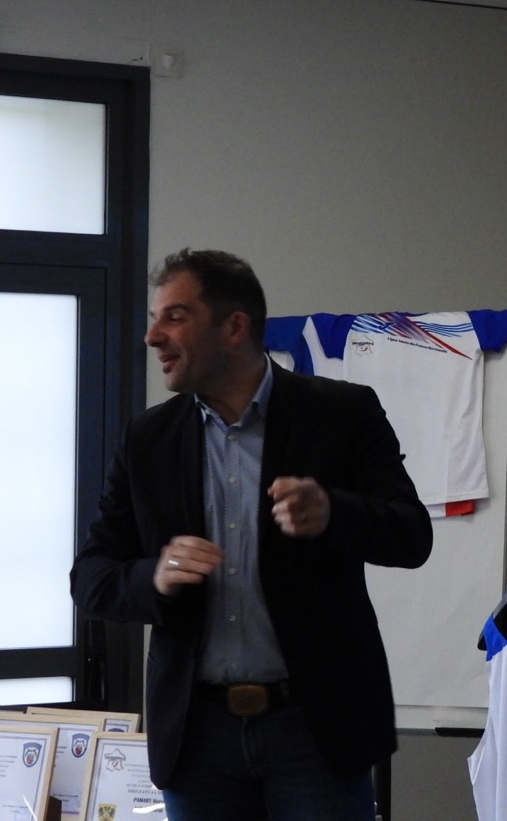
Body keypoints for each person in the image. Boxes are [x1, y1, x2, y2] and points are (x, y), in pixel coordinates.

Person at [71, 249, 433, 821]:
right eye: (155, 319)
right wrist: (154, 575)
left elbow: (413, 537)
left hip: (315, 731)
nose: (152, 337)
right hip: (197, 739)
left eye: (174, 317)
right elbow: (90, 577)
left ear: (234, 327)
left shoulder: (342, 413)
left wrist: (334, 513)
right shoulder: (147, 439)